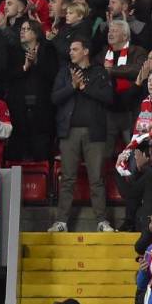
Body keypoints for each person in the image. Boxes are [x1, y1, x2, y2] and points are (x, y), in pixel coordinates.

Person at [49, 38, 115, 232]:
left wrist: (85, 87)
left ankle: (102, 221)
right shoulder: (64, 72)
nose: (71, 52)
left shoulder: (99, 72)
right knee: (67, 177)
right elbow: (55, 97)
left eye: (75, 49)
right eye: (70, 49)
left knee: (97, 178)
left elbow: (109, 97)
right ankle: (61, 221)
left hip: (95, 133)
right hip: (68, 132)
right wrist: (72, 86)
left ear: (85, 51)